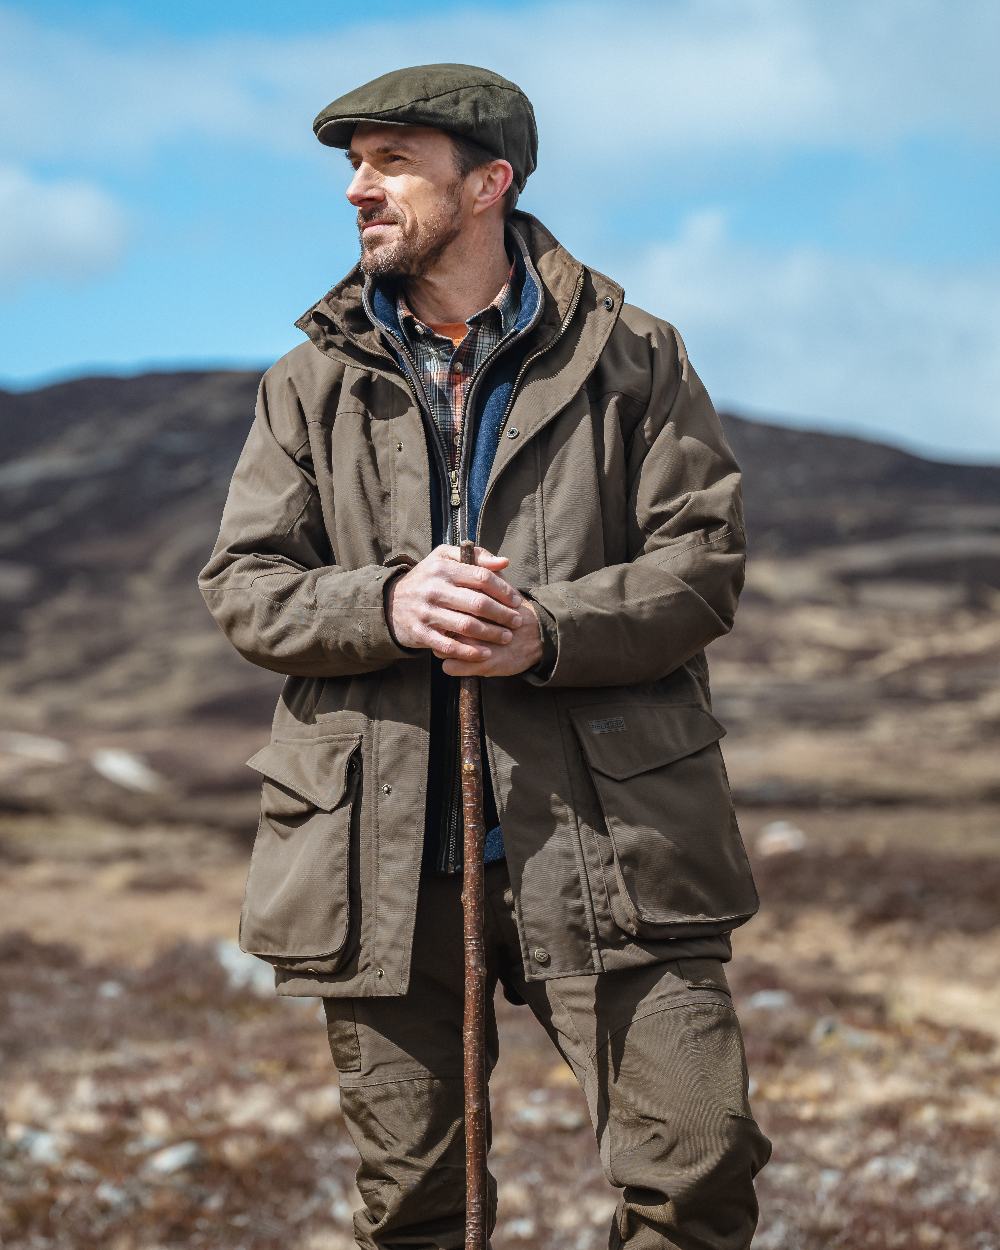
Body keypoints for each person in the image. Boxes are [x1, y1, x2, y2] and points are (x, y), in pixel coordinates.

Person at [198, 61, 772, 1250]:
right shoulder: (306, 383)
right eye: (354, 165)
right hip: (382, 855)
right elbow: (245, 588)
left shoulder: (634, 354)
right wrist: (387, 603)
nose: (360, 188)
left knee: (698, 1171)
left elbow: (701, 561)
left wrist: (546, 631)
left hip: (611, 839)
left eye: (392, 161)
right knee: (414, 1209)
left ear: (488, 184)